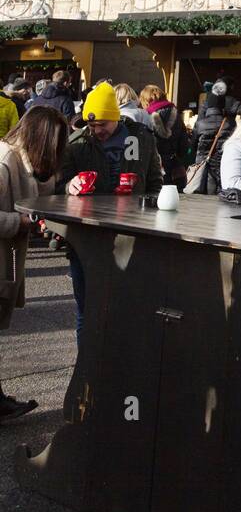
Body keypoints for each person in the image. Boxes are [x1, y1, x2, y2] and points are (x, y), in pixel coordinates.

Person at [60, 84, 163, 343]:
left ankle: (117, 367)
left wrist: (142, 201)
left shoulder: (142, 138)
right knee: (86, 310)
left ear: (115, 117)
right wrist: (68, 186)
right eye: (91, 126)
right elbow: (58, 187)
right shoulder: (76, 144)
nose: (96, 131)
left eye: (102, 125)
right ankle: (87, 370)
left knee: (126, 309)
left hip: (131, 237)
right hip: (87, 239)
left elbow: (155, 184)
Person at [0, 106, 69, 422]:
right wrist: (21, 222)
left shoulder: (28, 164)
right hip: (6, 252)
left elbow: (43, 194)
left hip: (10, 258)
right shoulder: (4, 162)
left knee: (3, 311)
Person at [186, 78, 241, 194]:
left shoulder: (203, 114)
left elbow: (193, 144)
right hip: (222, 162)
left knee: (201, 192)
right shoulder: (230, 122)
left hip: (202, 163)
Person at [140, 84, 190, 188]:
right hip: (174, 165)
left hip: (154, 166)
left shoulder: (146, 116)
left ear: (146, 100)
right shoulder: (176, 114)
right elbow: (184, 142)